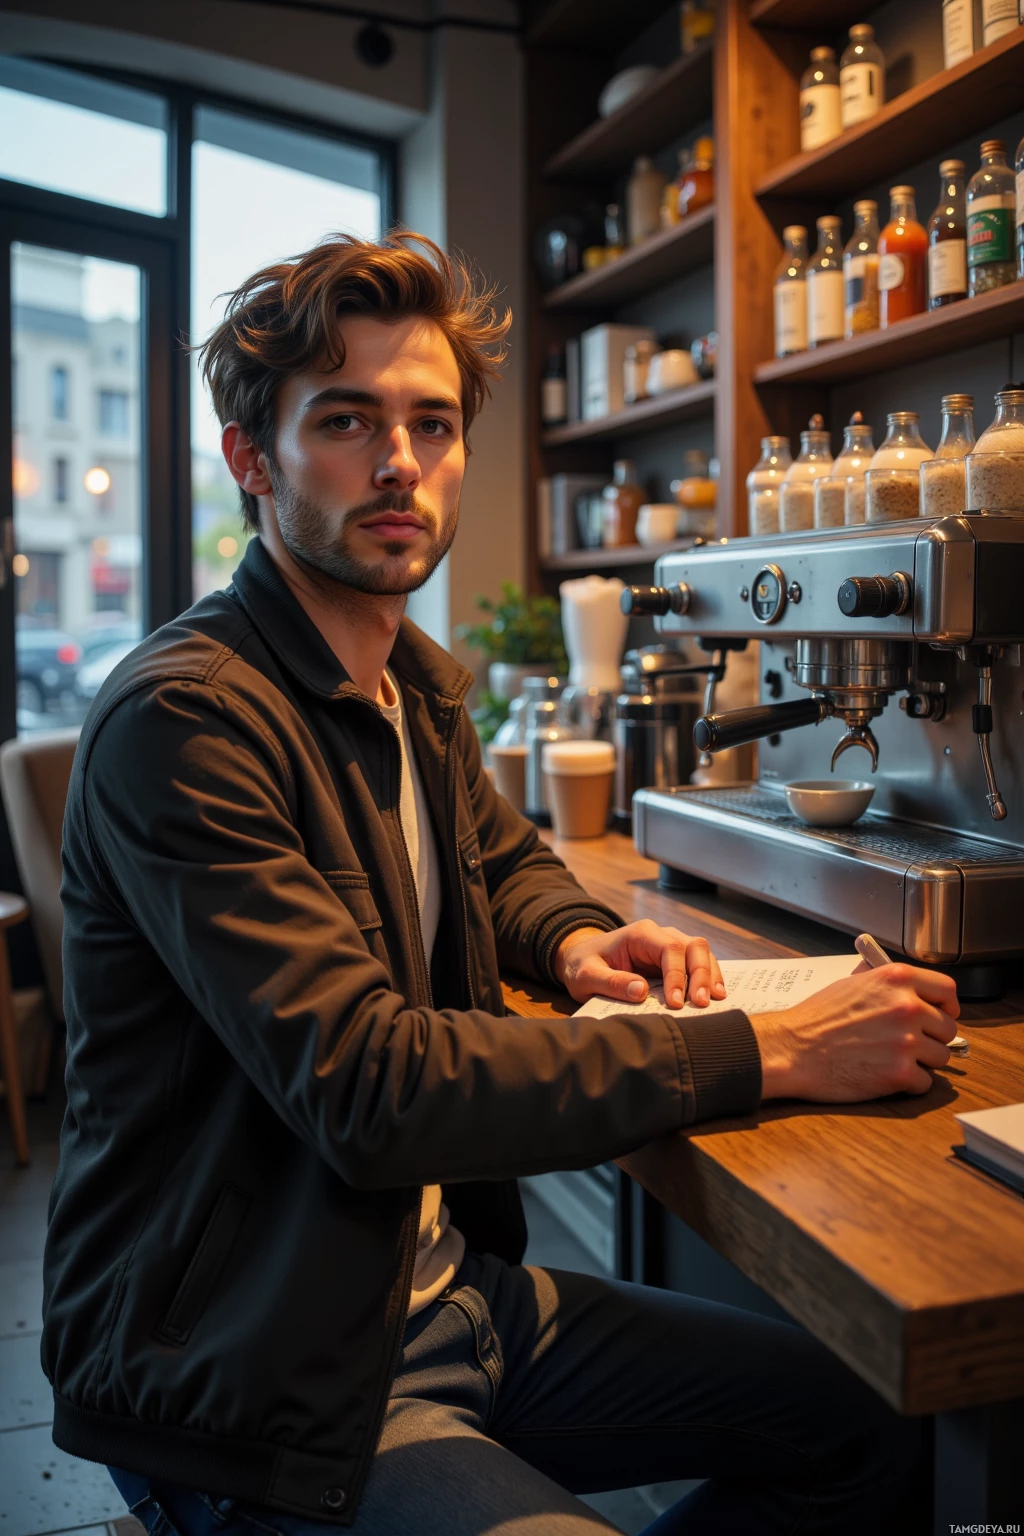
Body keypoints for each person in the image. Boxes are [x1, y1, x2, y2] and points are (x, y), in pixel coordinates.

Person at [44, 233, 959, 1536]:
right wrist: (764, 1047)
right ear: (252, 461)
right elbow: (373, 1086)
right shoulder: (187, 718)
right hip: (253, 1370)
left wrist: (581, 942)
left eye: (431, 423)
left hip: (437, 1288)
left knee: (873, 1429)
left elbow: (502, 860)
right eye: (347, 420)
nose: (400, 461)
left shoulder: (412, 682)